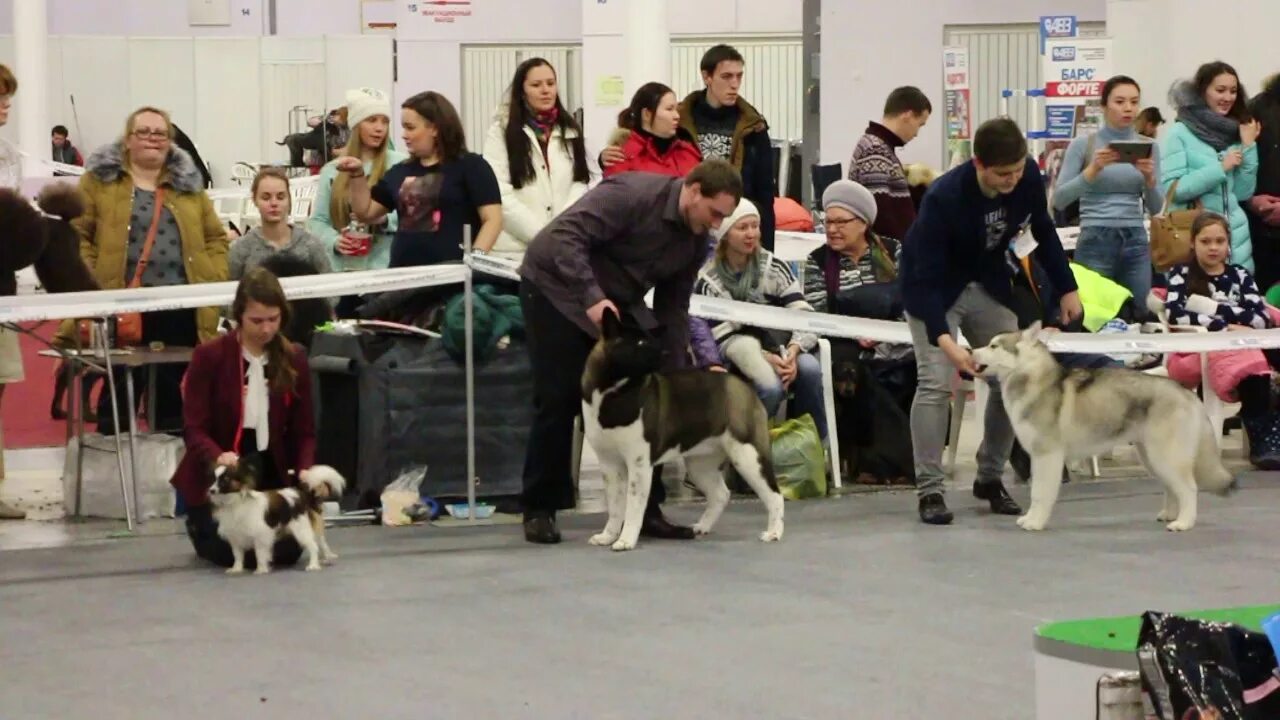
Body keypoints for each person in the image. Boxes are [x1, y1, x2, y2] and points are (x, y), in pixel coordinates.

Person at [517, 159, 742, 544]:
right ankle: (540, 508)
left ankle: (646, 511)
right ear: (692, 191)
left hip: (615, 304)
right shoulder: (631, 195)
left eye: (725, 217)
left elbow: (673, 307)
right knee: (559, 396)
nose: (717, 225)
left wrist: (674, 372)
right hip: (555, 288)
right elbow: (564, 238)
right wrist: (592, 297)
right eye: (714, 213)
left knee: (647, 395)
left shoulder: (696, 239)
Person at [900, 117, 1083, 525]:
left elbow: (1043, 228)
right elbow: (925, 279)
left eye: (1018, 170)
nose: (1012, 181)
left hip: (987, 282)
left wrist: (1066, 285)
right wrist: (946, 343)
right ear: (979, 164)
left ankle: (990, 475)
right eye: (1003, 174)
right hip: (932, 288)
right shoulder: (943, 198)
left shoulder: (1028, 177)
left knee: (1010, 373)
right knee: (934, 381)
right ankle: (929, 488)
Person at [62, 106, 228, 436]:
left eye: (160, 133)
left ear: (171, 141)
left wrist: (214, 274)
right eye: (144, 132)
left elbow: (215, 238)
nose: (153, 139)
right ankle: (115, 470)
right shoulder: (98, 181)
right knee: (119, 390)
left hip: (180, 304)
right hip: (120, 304)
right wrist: (91, 277)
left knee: (171, 393)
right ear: (127, 140)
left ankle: (170, 473)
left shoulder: (189, 186)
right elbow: (76, 233)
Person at [171, 267, 317, 569]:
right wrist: (217, 456)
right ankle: (199, 524)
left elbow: (305, 430)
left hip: (269, 474)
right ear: (238, 315)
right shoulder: (209, 356)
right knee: (229, 553)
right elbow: (194, 428)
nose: (266, 329)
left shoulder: (295, 357)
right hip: (219, 478)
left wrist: (304, 471)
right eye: (256, 321)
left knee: (286, 553)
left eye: (273, 319)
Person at [693, 199, 827, 440]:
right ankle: (747, 451)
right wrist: (766, 359)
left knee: (810, 369)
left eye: (755, 226)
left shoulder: (774, 267)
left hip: (782, 347)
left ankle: (814, 446)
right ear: (724, 234)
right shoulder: (708, 279)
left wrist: (793, 353)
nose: (751, 234)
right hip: (735, 354)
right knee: (771, 388)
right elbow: (722, 338)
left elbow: (803, 313)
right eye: (742, 228)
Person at [1164, 212, 1280, 468]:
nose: (1213, 247)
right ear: (1193, 243)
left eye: (1220, 241)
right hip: (1202, 349)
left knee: (1263, 354)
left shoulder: (1240, 274)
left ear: (1229, 243)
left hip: (1247, 341)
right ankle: (1262, 441)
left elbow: (1260, 317)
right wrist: (1227, 325)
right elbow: (1177, 316)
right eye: (1206, 241)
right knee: (1252, 365)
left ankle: (1269, 428)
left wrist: (1211, 309)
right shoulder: (1180, 274)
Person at [337, 90, 502, 267]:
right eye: (403, 128)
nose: (403, 135)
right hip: (403, 277)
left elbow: (493, 219)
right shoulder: (399, 171)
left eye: (410, 127)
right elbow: (366, 212)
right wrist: (356, 174)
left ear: (434, 128)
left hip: (453, 279)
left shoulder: (472, 166)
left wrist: (474, 261)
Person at [1052, 75, 1163, 303]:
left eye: (1134, 102)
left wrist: (1149, 179)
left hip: (1136, 238)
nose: (1128, 109)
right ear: (1104, 106)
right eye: (1120, 102)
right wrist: (1093, 170)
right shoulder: (1084, 145)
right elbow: (1059, 200)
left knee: (1141, 310)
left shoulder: (1149, 146)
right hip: (1095, 236)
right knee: (1095, 313)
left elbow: (1157, 208)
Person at [482, 57, 590, 261]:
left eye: (551, 83)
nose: (545, 90)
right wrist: (541, 235)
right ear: (522, 91)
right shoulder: (501, 131)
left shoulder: (570, 130)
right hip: (515, 250)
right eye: (536, 85)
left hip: (561, 245)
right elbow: (499, 193)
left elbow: (580, 183)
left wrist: (559, 231)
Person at [1162, 61, 1261, 272]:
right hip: (1195, 243)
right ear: (1202, 92)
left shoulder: (1235, 131)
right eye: (1220, 90)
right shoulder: (1179, 133)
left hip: (1236, 242)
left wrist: (1249, 146)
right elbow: (1174, 190)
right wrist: (1220, 168)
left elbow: (1243, 193)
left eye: (1233, 91)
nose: (1228, 98)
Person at [307, 88, 408, 283]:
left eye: (384, 121)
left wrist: (384, 219)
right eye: (371, 120)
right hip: (343, 273)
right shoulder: (332, 170)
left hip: (387, 271)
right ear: (355, 125)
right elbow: (318, 221)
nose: (379, 128)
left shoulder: (400, 165)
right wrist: (335, 241)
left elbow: (416, 215)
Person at [847, 86, 932, 240]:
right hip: (889, 255)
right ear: (908, 115)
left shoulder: (879, 147)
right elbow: (879, 216)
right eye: (919, 124)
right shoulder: (875, 150)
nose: (916, 133)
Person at [229, 168, 331, 280]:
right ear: (255, 200)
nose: (274, 203)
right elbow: (230, 292)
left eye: (280, 197)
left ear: (289, 199)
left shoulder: (311, 245)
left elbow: (331, 291)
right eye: (266, 197)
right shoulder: (241, 249)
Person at [603, 81, 702, 179]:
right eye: (669, 109)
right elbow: (613, 192)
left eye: (676, 109)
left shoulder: (687, 151)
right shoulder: (621, 155)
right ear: (647, 114)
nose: (677, 116)